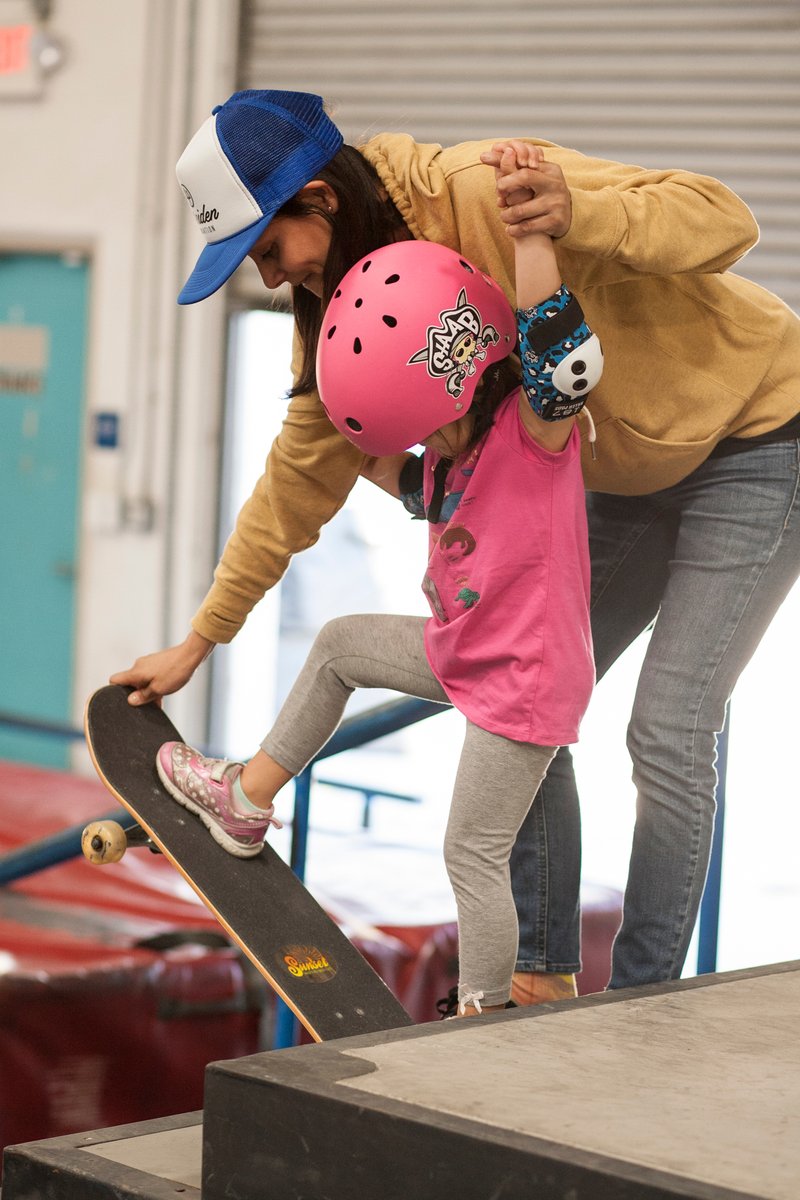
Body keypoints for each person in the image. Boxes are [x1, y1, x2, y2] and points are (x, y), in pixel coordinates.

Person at [112, 88, 800, 1001]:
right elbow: (304, 471)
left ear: (318, 198)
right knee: (524, 702)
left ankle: (642, 1005)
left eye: (269, 250)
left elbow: (725, 221)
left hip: (759, 428)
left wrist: (577, 211)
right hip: (618, 470)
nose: (270, 278)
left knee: (667, 724)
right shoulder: (345, 311)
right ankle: (541, 979)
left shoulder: (481, 193)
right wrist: (205, 635)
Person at [154, 175, 601, 1015]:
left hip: (525, 677)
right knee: (336, 646)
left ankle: (483, 1011)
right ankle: (246, 801)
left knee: (471, 850)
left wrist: (531, 237)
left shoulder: (535, 432)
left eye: (421, 422)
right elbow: (371, 466)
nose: (422, 445)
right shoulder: (446, 460)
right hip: (465, 647)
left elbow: (556, 343)